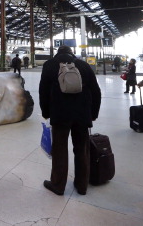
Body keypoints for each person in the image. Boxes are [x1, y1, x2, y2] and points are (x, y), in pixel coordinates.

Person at [39, 45, 102, 196]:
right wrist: (93, 113)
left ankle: (58, 185)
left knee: (59, 149)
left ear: (57, 54)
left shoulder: (50, 65)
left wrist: (46, 112)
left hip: (60, 114)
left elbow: (43, 90)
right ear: (72, 53)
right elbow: (96, 91)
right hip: (82, 114)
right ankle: (82, 186)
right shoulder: (83, 65)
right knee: (82, 149)